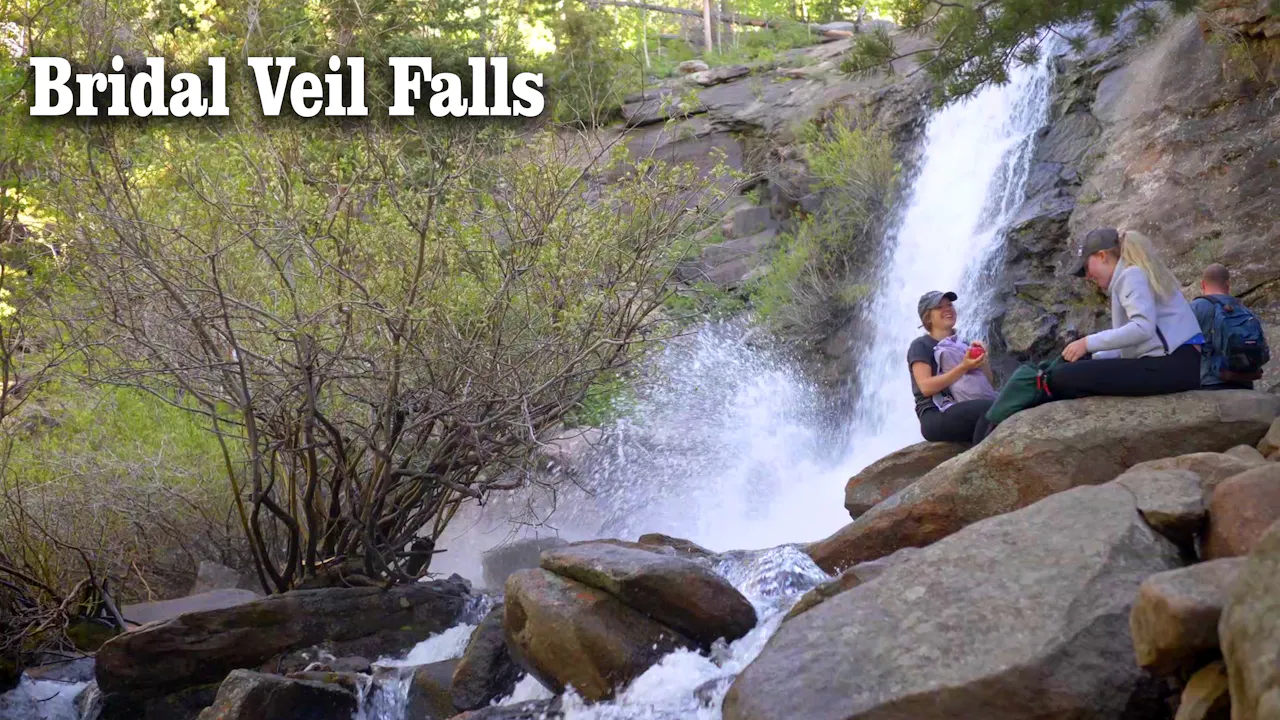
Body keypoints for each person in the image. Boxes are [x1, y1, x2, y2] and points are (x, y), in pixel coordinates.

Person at [1051, 228, 1203, 398]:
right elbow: (1131, 343)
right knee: (1073, 371)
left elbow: (1143, 328)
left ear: (1102, 256)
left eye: (1086, 267)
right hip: (1181, 364)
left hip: (1173, 364)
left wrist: (1087, 343)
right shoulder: (1134, 273)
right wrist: (1095, 356)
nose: (1087, 276)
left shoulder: (1131, 275)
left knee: (1064, 377)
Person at [908, 291, 997, 444]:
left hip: (966, 406)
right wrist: (963, 367)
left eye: (949, 305)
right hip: (935, 414)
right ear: (928, 317)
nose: (947, 309)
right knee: (990, 409)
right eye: (939, 307)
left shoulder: (964, 344)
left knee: (1006, 403)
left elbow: (988, 381)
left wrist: (983, 359)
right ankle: (978, 459)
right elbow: (926, 387)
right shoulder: (921, 345)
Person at [1191, 263, 1270, 390]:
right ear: (1228, 284)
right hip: (1244, 381)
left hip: (1210, 383)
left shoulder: (1196, 307)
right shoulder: (1243, 308)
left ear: (1203, 284)